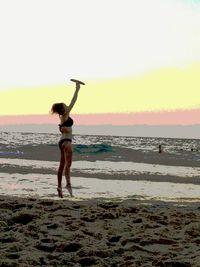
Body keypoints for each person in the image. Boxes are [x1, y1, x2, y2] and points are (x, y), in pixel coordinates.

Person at [51, 81, 82, 198]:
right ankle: (68, 185)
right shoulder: (65, 115)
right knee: (68, 165)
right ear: (63, 109)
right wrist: (77, 88)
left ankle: (59, 187)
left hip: (62, 142)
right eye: (65, 106)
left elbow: (63, 128)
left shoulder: (62, 117)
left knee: (62, 165)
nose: (67, 106)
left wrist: (64, 129)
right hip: (67, 142)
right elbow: (74, 100)